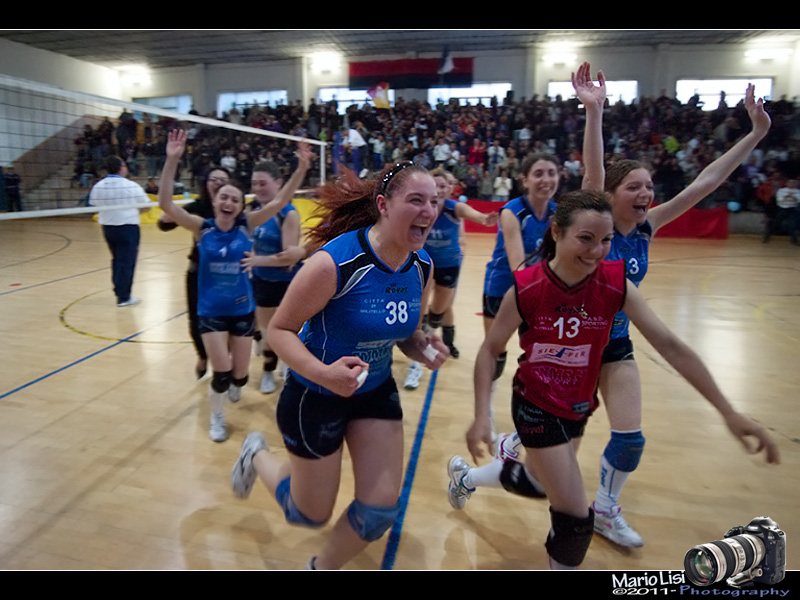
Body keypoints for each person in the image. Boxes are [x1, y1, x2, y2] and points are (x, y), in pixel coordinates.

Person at [486, 63, 773, 548]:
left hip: (612, 343)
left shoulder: (646, 227)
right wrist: (594, 111)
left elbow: (705, 182)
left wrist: (756, 133)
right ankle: (505, 454)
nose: (646, 194)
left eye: (649, 186)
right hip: (566, 344)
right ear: (611, 195)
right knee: (540, 472)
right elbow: (593, 170)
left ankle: (604, 509)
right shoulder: (595, 224)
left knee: (630, 438)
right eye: (634, 187)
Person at [449, 190, 779, 570]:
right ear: (556, 232)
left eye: (606, 240)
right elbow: (490, 350)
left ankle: (466, 477)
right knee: (575, 519)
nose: (597, 251)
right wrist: (481, 416)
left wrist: (728, 411)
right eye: (585, 239)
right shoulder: (527, 286)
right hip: (535, 404)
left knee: (537, 482)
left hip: (577, 404)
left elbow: (671, 346)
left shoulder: (615, 283)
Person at [229, 161, 449, 570]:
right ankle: (256, 455)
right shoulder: (335, 263)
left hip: (374, 391)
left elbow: (405, 332)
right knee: (307, 514)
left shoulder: (422, 265)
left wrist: (420, 346)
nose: (429, 210)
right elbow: (279, 330)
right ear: (383, 205)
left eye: (434, 201)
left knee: (379, 511)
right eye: (416, 200)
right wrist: (324, 373)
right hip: (315, 395)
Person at [158, 129, 309, 442]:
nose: (228, 202)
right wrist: (172, 160)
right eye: (223, 197)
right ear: (214, 201)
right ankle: (217, 417)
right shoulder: (201, 228)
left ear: (241, 207)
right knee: (222, 372)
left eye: (235, 199)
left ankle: (236, 383)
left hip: (242, 309)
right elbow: (166, 204)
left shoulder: (247, 225)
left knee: (239, 376)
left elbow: (281, 200)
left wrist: (302, 167)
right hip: (210, 312)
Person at [404, 167, 499, 389]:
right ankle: (416, 364)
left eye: (443, 185)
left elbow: (474, 214)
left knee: (438, 313)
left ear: (449, 188)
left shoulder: (454, 208)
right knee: (418, 313)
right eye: (435, 185)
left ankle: (430, 345)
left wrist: (485, 219)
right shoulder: (420, 210)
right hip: (424, 264)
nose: (439, 189)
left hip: (448, 265)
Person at [481, 152, 560, 404]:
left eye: (551, 173)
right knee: (496, 348)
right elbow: (519, 267)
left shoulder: (559, 213)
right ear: (525, 180)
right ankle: (487, 401)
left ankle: (537, 403)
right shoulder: (512, 212)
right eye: (538, 174)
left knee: (540, 349)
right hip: (501, 287)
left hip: (538, 288)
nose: (546, 179)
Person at [242, 158, 311, 394]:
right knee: (267, 330)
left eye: (263, 183)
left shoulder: (288, 214)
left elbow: (287, 259)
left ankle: (286, 364)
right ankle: (268, 371)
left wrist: (256, 261)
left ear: (278, 183)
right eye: (254, 184)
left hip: (288, 283)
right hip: (261, 281)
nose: (257, 188)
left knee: (286, 330)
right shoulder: (252, 210)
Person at [158, 165, 232, 379]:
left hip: (228, 276)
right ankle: (202, 356)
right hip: (199, 274)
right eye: (213, 179)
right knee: (197, 320)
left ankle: (223, 363)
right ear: (206, 184)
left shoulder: (235, 207)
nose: (218, 183)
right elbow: (164, 222)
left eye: (223, 179)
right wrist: (174, 214)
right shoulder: (197, 208)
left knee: (227, 320)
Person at [89, 154, 152, 307]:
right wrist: (135, 211)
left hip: (108, 228)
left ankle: (119, 291)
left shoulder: (98, 186)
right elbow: (147, 206)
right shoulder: (130, 185)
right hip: (127, 227)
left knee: (117, 260)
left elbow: (94, 207)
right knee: (127, 262)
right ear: (120, 168)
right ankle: (124, 297)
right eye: (124, 164)